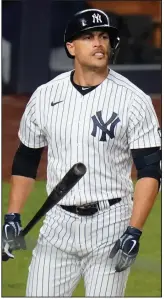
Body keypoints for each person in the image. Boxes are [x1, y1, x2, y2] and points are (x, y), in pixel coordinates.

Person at [2, 8, 161, 297]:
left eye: (104, 36)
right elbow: (27, 158)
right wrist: (12, 215)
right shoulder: (45, 96)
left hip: (111, 222)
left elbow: (150, 169)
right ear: (71, 47)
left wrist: (134, 231)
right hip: (57, 223)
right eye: (88, 37)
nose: (99, 43)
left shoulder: (134, 100)